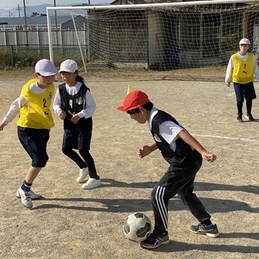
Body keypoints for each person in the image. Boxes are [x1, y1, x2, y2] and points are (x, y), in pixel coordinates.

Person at [117, 90, 219, 249]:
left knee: (158, 195)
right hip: (189, 160)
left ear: (141, 109)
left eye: (131, 113)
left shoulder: (159, 120)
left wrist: (203, 151)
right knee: (185, 193)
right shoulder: (153, 118)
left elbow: (182, 133)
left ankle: (161, 234)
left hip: (185, 162)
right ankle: (207, 225)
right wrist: (150, 148)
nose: (131, 117)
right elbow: (166, 138)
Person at [0, 59, 57, 209]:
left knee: (41, 159)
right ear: (36, 75)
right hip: (27, 129)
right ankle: (24, 189)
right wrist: (4, 122)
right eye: (46, 76)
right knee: (39, 159)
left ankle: (26, 188)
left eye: (52, 75)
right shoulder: (29, 91)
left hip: (42, 128)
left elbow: (45, 108)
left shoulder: (51, 88)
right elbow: (15, 106)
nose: (50, 79)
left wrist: (47, 126)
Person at [53, 59, 101, 190]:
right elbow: (56, 104)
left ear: (75, 73)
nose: (64, 77)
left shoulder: (83, 90)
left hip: (83, 125)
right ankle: (83, 167)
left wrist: (80, 115)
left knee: (83, 150)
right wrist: (58, 111)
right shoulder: (61, 89)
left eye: (67, 73)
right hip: (69, 125)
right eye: (62, 73)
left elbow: (92, 107)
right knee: (66, 148)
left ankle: (94, 177)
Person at [225, 38, 259, 122]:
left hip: (248, 80)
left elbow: (255, 69)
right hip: (238, 81)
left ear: (248, 46)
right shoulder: (234, 57)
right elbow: (229, 68)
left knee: (249, 99)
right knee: (240, 99)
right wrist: (228, 79)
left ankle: (249, 114)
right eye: (242, 45)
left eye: (245, 45)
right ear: (239, 46)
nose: (243, 46)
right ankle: (239, 114)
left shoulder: (251, 56)